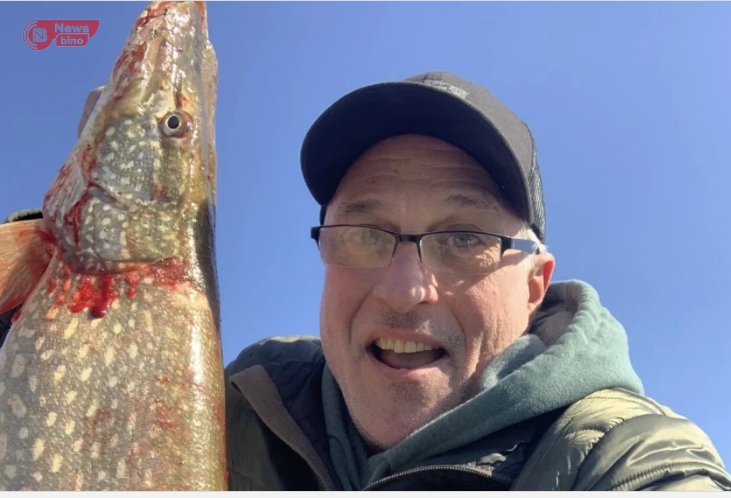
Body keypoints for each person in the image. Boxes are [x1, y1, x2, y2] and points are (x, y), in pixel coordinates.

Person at [2, 71, 730, 491]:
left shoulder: (623, 458)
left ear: (534, 285)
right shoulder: (242, 404)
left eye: (465, 238)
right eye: (364, 233)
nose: (405, 287)